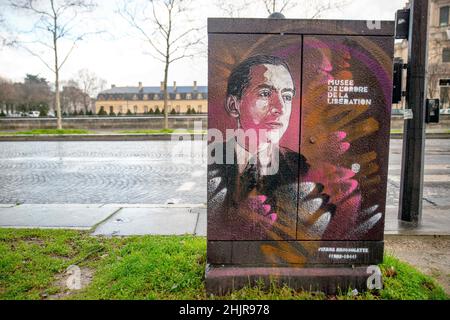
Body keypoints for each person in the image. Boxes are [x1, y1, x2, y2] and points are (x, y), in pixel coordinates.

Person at [208, 55, 335, 241]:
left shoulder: (299, 167)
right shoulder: (214, 159)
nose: (281, 108)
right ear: (233, 105)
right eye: (265, 93)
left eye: (287, 96)